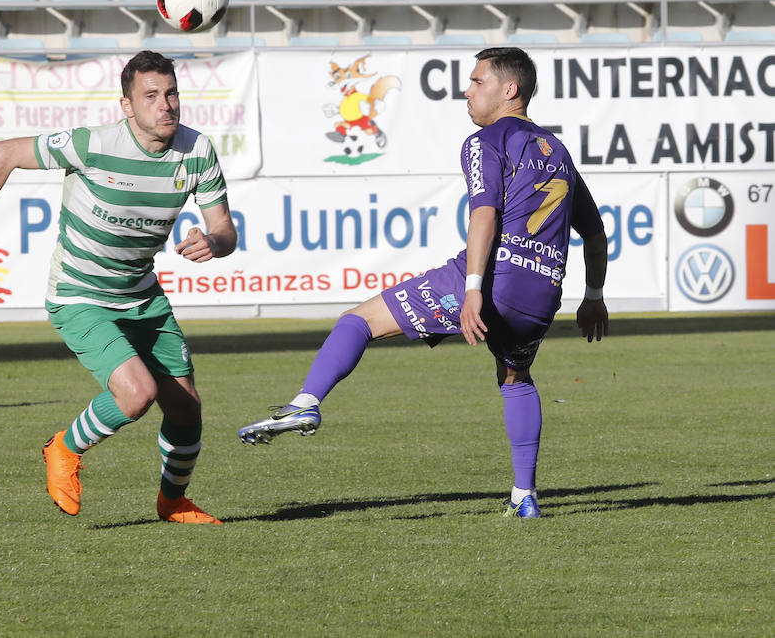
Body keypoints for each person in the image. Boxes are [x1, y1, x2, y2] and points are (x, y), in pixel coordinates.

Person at [238, 47, 609, 519]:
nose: (467, 91)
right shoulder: (555, 150)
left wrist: (473, 288)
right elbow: (595, 233)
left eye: (477, 82)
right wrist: (594, 296)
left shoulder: (486, 140)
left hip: (493, 282)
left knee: (358, 321)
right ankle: (525, 496)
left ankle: (304, 402)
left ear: (508, 90)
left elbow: (484, 214)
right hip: (542, 294)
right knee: (515, 377)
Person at [0, 50, 237, 523]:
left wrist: (213, 241)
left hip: (142, 295)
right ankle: (62, 449)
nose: (165, 105)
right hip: (80, 295)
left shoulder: (197, 150)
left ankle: (173, 502)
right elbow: (2, 152)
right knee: (136, 393)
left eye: (171, 94)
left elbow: (226, 230)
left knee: (185, 408)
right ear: (126, 106)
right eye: (150, 96)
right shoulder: (92, 144)